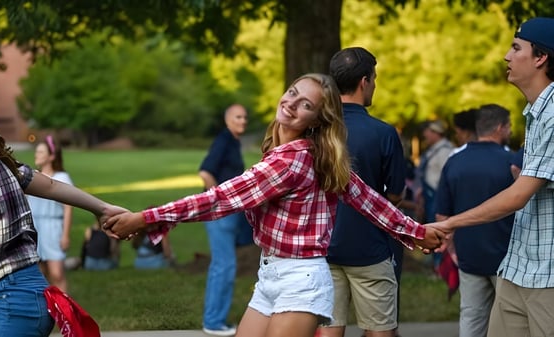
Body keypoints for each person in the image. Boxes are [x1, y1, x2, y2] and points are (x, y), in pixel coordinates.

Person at [104, 73, 444, 337]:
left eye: (306, 105)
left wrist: (146, 218)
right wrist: (416, 232)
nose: (293, 103)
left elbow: (220, 198)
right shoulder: (313, 155)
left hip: (301, 280)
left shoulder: (292, 161)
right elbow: (371, 201)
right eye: (293, 92)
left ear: (316, 121)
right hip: (271, 275)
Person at [0, 80, 125, 337]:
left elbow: (51, 186)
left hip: (11, 304)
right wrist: (101, 208)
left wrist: (102, 210)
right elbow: (49, 186)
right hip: (20, 298)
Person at [427, 17, 554, 337]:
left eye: (516, 48)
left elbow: (518, 196)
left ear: (540, 58)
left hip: (547, 277)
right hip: (516, 268)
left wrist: (448, 223)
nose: (506, 56)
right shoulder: (535, 114)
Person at [318, 47, 406, 337]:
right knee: (380, 331)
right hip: (370, 249)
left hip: (322, 248)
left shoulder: (315, 130)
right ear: (364, 82)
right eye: (375, 79)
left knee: (328, 330)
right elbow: (395, 196)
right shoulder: (383, 133)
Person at [434, 104, 514, 337]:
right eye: (508, 126)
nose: (509, 131)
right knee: (510, 321)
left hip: (469, 256)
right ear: (500, 127)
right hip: (507, 258)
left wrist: (452, 249)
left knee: (471, 317)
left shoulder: (455, 161)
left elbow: (442, 215)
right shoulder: (511, 163)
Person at [198, 104, 250, 336]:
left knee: (223, 266)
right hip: (221, 213)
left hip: (229, 213)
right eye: (238, 117)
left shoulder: (233, 141)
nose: (243, 121)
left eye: (245, 117)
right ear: (228, 119)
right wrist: (218, 200)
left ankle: (214, 319)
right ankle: (213, 322)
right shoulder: (224, 140)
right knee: (224, 266)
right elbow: (205, 172)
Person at [26, 135, 73, 292]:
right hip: (35, 227)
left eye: (41, 152)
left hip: (52, 227)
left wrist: (65, 235)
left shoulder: (61, 178)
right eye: (36, 151)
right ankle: (47, 311)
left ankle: (65, 313)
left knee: (56, 273)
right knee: (40, 274)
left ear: (51, 156)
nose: (36, 155)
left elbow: (68, 207)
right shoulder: (33, 177)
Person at [416, 119, 453, 271]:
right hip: (429, 194)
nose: (426, 135)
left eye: (428, 132)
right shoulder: (433, 149)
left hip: (438, 194)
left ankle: (441, 265)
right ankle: (435, 263)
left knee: (437, 231)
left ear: (436, 133)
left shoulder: (445, 150)